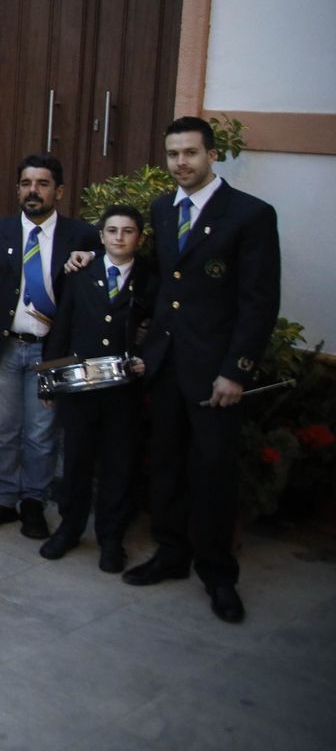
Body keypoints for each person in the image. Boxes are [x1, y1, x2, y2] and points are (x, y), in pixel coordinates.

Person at [122, 117, 280, 624]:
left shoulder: (250, 215)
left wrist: (236, 370)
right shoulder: (163, 209)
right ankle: (171, 553)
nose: (181, 163)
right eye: (173, 154)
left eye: (190, 153)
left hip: (216, 372)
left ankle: (217, 572)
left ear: (212, 155)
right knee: (166, 463)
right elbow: (157, 282)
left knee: (212, 471)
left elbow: (258, 302)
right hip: (167, 364)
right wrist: (91, 256)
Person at [0, 154, 98, 539]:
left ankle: (33, 500)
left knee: (41, 433)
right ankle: (2, 498)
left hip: (49, 351)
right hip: (3, 346)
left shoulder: (81, 237)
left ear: (59, 191)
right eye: (26, 183)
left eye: (42, 183)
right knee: (1, 429)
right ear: (18, 188)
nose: (33, 191)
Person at [37, 204, 155, 573]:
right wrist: (49, 382)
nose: (119, 237)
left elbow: (160, 327)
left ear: (139, 238)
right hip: (82, 387)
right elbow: (62, 327)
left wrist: (146, 357)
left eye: (128, 231)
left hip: (123, 392)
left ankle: (111, 537)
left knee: (118, 464)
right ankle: (69, 528)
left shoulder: (151, 278)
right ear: (101, 236)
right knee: (76, 460)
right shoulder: (81, 273)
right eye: (112, 231)